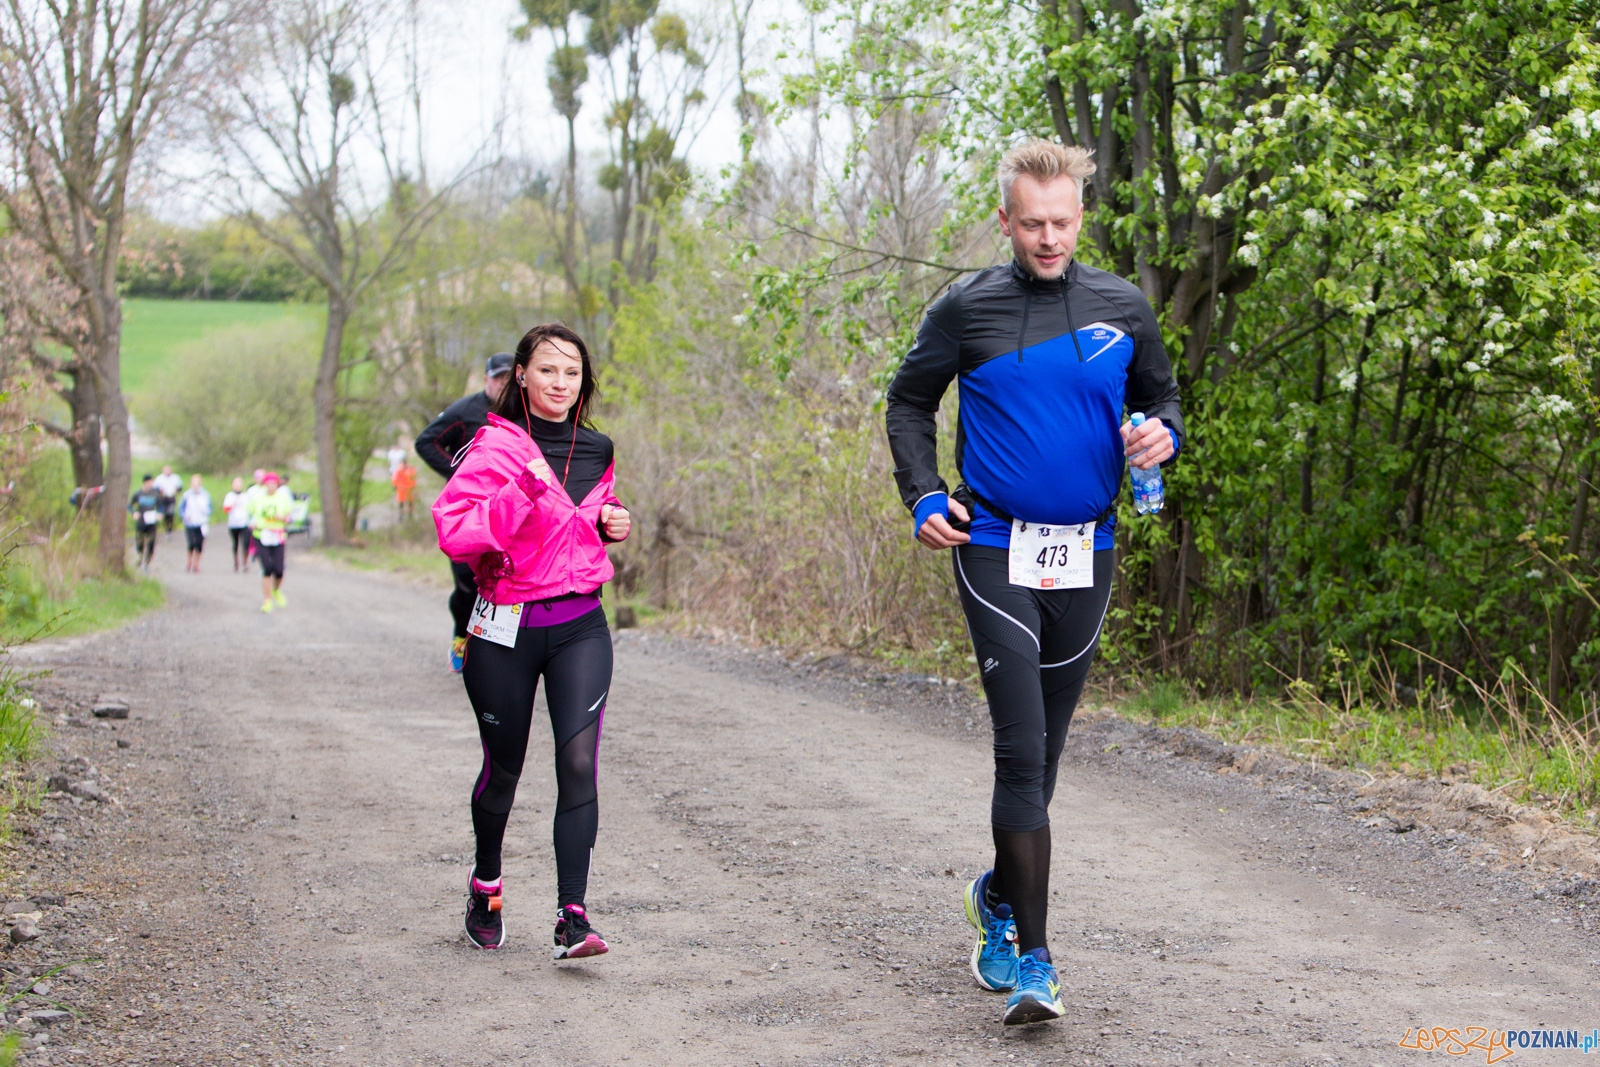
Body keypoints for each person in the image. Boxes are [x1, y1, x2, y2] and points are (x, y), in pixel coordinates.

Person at [884, 141, 1183, 1026]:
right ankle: (1036, 963)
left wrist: (1162, 435)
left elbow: (1163, 400)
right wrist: (924, 492)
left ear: (1079, 217)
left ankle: (997, 893)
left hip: (1086, 551)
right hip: (995, 546)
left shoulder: (1121, 306)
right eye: (1031, 223)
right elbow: (907, 403)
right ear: (1006, 219)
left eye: (1062, 222)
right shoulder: (967, 307)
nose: (1048, 238)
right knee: (1020, 750)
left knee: (1044, 759)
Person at [432, 325, 631, 956]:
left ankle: (572, 915)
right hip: (505, 626)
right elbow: (454, 532)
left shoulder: (598, 448)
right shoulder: (493, 447)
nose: (561, 384)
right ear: (522, 374)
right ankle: (486, 883)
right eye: (548, 371)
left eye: (572, 373)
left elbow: (583, 518)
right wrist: (519, 492)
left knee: (578, 762)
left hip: (580, 623)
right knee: (504, 772)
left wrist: (610, 521)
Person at [416, 352, 515, 672]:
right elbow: (425, 441)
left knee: (511, 582)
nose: (503, 384)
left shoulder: (526, 411)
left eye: (508, 377)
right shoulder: (466, 410)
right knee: (467, 584)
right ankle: (461, 637)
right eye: (497, 377)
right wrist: (456, 472)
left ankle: (504, 653)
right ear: (486, 379)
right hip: (469, 511)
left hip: (512, 509)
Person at [248, 471, 295, 613]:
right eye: (268, 483)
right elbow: (249, 513)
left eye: (273, 483)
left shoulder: (283, 499)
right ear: (264, 484)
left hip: (278, 536)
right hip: (261, 535)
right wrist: (252, 523)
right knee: (267, 568)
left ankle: (276, 590)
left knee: (279, 570)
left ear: (277, 484)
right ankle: (267, 601)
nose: (271, 486)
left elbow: (290, 518)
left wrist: (283, 518)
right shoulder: (258, 499)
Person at [128, 475, 162, 573]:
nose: (151, 484)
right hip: (141, 522)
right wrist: (134, 513)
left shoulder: (155, 494)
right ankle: (140, 556)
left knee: (151, 543)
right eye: (150, 482)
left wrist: (160, 513)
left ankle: (147, 563)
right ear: (145, 482)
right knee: (140, 542)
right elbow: (130, 505)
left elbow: (160, 506)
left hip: (152, 522)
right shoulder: (138, 494)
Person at [179, 474, 212, 573]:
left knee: (199, 544)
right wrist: (184, 516)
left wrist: (205, 511)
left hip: (201, 523)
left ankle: (196, 563)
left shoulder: (205, 495)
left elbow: (210, 508)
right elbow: (181, 508)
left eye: (197, 483)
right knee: (191, 543)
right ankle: (189, 560)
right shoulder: (187, 495)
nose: (195, 485)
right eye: (193, 483)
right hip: (190, 523)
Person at [222, 477, 253, 572]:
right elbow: (226, 509)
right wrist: (234, 503)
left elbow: (251, 508)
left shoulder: (246, 496)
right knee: (236, 543)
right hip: (233, 523)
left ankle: (245, 562)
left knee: (246, 543)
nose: (237, 486)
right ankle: (236, 562)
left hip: (244, 523)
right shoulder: (229, 496)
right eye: (235, 484)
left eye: (239, 484)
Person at [153, 465, 182, 536]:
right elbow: (155, 487)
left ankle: (169, 528)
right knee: (161, 513)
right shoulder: (159, 478)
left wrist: (177, 490)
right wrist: (159, 490)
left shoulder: (175, 477)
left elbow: (180, 487)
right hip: (163, 498)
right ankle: (159, 527)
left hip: (171, 498)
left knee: (170, 513)